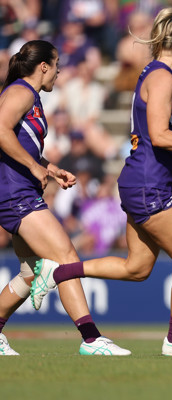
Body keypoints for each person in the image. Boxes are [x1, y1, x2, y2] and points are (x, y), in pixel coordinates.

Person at [30, 8, 172, 357]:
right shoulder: (164, 76)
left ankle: (61, 271)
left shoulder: (153, 73)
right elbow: (159, 133)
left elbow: (149, 137)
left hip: (144, 178)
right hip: (147, 183)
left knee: (137, 268)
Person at [0, 40, 129, 356]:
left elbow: (22, 144)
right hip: (15, 193)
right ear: (43, 65)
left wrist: (50, 168)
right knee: (66, 257)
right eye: (56, 66)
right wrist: (33, 166)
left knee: (30, 273)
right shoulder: (21, 92)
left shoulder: (28, 96)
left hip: (18, 190)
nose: (58, 73)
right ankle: (91, 339)